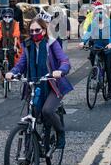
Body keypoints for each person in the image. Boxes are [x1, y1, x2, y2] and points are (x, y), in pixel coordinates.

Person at [5, 17, 73, 148]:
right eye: (31, 31)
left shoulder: (52, 43)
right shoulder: (28, 45)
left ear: (44, 30)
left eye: (37, 30)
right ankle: (29, 151)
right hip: (35, 85)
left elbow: (64, 61)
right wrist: (13, 72)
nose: (34, 33)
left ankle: (60, 132)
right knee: (33, 114)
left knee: (47, 111)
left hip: (52, 85)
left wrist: (61, 71)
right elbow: (21, 64)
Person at [79, 5, 111, 99]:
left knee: (108, 68)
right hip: (98, 46)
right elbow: (88, 33)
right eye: (97, 13)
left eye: (101, 12)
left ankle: (110, 90)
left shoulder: (109, 22)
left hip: (109, 48)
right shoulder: (94, 23)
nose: (99, 14)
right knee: (92, 54)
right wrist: (83, 42)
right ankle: (96, 71)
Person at [0, 8, 21, 73]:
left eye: (9, 16)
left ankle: (11, 72)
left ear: (12, 16)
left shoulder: (15, 23)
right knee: (1, 57)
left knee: (12, 59)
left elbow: (16, 35)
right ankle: (2, 68)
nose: (7, 18)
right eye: (5, 16)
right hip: (2, 43)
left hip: (12, 43)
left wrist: (15, 46)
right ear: (3, 16)